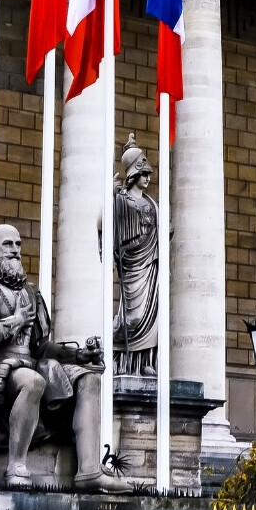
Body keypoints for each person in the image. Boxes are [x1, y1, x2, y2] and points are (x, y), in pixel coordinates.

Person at [0, 224, 112, 488]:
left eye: (18, 245)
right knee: (33, 382)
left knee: (88, 379)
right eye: (8, 244)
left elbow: (41, 347)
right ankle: (16, 465)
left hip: (33, 363)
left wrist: (78, 355)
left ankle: (89, 471)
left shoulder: (31, 292)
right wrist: (14, 321)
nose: (15, 251)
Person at [114, 135, 161, 376]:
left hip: (151, 263)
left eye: (149, 175)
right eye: (144, 175)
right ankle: (113, 351)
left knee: (152, 316)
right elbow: (105, 224)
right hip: (133, 264)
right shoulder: (121, 199)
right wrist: (110, 198)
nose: (148, 179)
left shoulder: (152, 203)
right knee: (133, 317)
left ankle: (145, 363)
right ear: (134, 174)